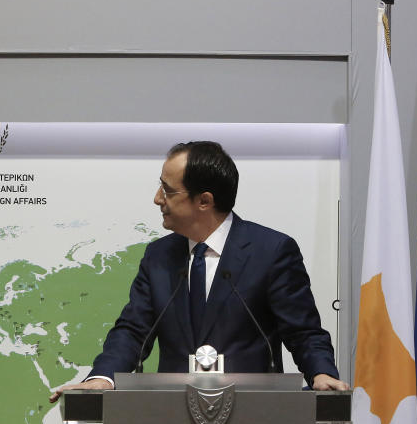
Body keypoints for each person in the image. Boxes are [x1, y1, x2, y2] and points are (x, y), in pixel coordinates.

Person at [50, 140, 348, 402]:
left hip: (255, 423)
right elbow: (133, 330)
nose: (157, 198)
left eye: (167, 190)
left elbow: (303, 331)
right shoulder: (159, 256)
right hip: (169, 420)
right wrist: (102, 378)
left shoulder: (271, 251)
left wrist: (320, 373)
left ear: (204, 200)